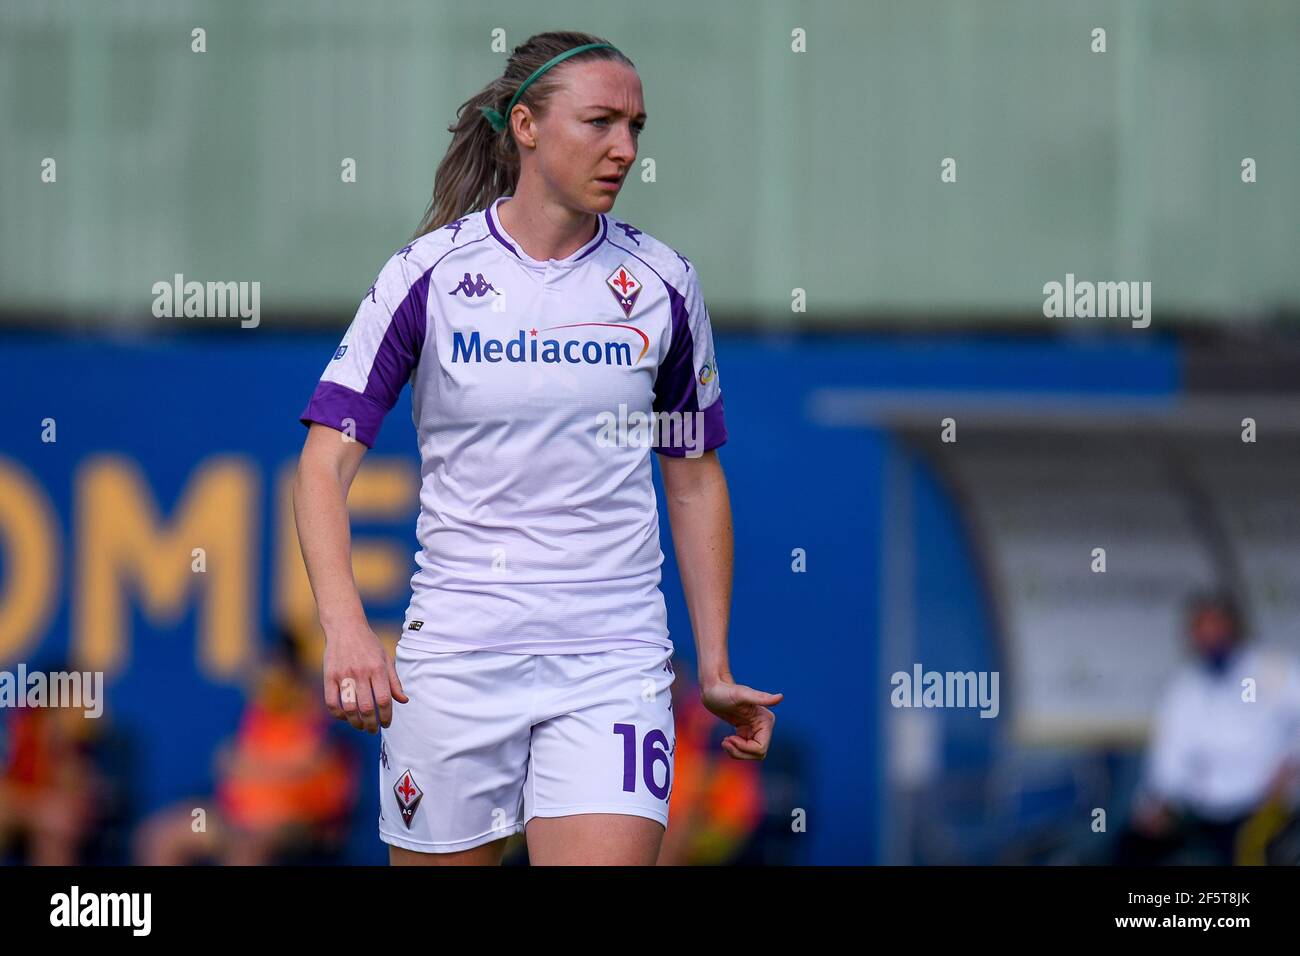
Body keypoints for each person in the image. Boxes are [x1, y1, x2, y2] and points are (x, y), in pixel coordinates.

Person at [293, 31, 782, 866]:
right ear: (525, 125)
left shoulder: (663, 282)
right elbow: (321, 463)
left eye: (635, 126)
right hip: (453, 656)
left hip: (613, 659)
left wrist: (714, 662)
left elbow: (694, 477)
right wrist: (344, 625)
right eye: (599, 122)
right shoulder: (429, 274)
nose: (624, 149)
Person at [1117, 590, 1300, 865]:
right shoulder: (1184, 687)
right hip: (1202, 810)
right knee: (1132, 845)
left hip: (1265, 805)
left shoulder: (1272, 670)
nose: (1209, 637)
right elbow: (1169, 759)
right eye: (1201, 630)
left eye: (1216, 627)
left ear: (1234, 627)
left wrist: (1292, 763)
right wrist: (1157, 804)